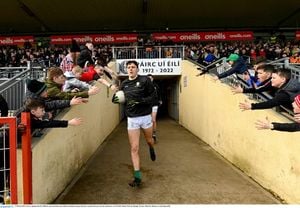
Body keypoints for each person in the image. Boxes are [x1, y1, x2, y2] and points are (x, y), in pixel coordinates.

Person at [112, 60, 156, 187]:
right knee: (134, 148)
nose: (130, 69)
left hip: (145, 117)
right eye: (129, 67)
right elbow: (120, 97)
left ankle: (151, 147)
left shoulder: (145, 81)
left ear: (137, 69)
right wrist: (115, 99)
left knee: (149, 140)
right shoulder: (124, 84)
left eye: (133, 67)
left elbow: (152, 98)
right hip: (132, 118)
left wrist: (140, 101)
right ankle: (137, 177)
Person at [147, 74, 162, 143]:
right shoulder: (144, 86)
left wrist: (160, 100)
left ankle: (154, 134)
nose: (150, 79)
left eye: (151, 78)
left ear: (152, 79)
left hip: (154, 104)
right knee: (148, 120)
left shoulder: (156, 86)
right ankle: (149, 134)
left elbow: (159, 94)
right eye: (148, 78)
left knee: (153, 119)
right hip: (147, 105)